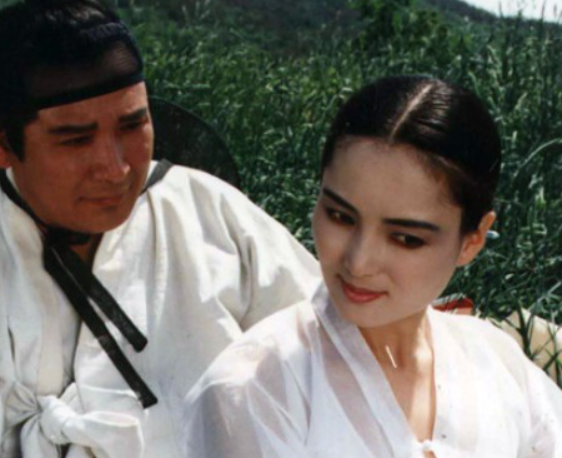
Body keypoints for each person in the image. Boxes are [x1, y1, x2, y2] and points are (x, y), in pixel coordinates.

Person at [0, 1, 320, 457]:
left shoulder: (206, 211)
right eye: (76, 140)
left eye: (132, 125)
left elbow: (334, 358)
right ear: (0, 140)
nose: (116, 169)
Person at [183, 75, 562, 457]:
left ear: (473, 239)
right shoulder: (255, 390)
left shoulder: (498, 365)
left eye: (406, 239)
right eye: (340, 216)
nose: (359, 262)